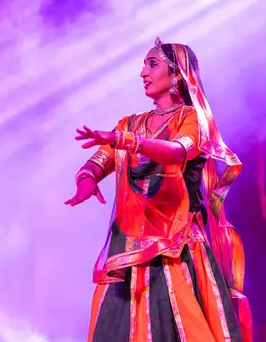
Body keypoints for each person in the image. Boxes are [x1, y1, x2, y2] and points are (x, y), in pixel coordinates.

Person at [64, 38, 252, 342]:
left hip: (175, 245)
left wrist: (125, 141)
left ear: (177, 75)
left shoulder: (192, 119)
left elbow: (176, 152)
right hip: (128, 246)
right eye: (143, 65)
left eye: (152, 64)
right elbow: (98, 161)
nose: (143, 72)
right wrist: (86, 181)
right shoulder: (130, 123)